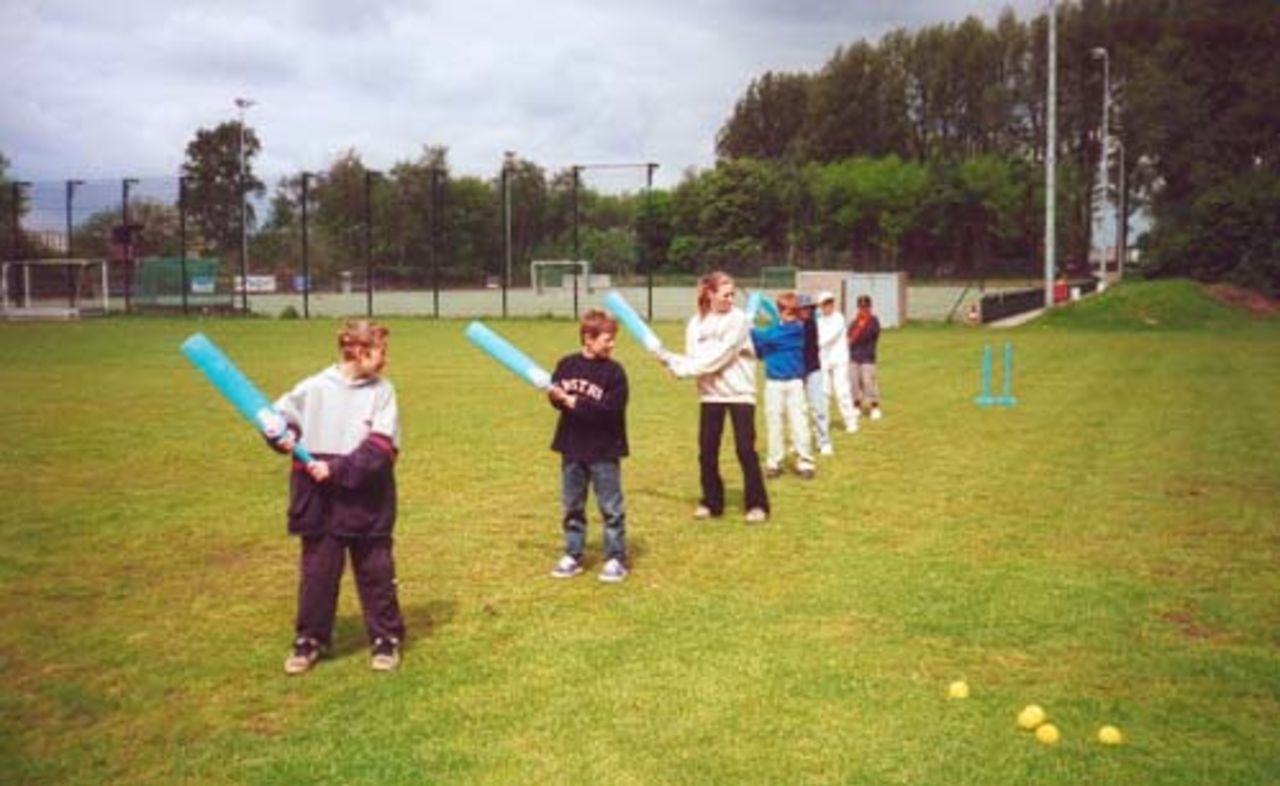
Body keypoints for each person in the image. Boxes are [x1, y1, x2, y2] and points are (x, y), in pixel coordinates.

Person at [270, 320, 405, 675]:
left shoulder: (383, 391)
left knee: (376, 570)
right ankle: (310, 640)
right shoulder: (313, 387)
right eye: (380, 353)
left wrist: (337, 469)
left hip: (367, 498)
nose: (385, 360)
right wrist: (280, 435)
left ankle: (386, 639)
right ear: (358, 352)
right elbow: (280, 419)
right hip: (318, 499)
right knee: (318, 573)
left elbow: (382, 447)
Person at [657, 271, 769, 524]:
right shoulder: (696, 323)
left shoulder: (739, 320)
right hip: (710, 396)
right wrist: (669, 359)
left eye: (732, 294)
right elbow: (695, 360)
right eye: (725, 294)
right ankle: (711, 502)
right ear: (709, 294)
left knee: (745, 450)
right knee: (707, 451)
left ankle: (757, 504)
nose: (730, 299)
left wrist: (683, 370)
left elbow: (721, 356)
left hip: (740, 393)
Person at [546, 309, 631, 583]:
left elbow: (609, 410)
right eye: (607, 339)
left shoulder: (615, 373)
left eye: (613, 338)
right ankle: (573, 554)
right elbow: (556, 397)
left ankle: (615, 558)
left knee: (611, 507)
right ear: (588, 338)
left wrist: (573, 402)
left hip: (605, 449)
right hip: (572, 446)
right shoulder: (567, 364)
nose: (612, 344)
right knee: (573, 504)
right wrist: (556, 396)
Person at [751, 292, 815, 479]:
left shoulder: (798, 329)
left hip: (794, 383)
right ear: (780, 311)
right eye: (787, 311)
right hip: (773, 383)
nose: (792, 316)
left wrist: (751, 329)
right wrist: (760, 339)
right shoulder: (774, 331)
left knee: (799, 422)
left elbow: (766, 339)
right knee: (774, 423)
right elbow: (761, 351)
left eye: (794, 312)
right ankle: (774, 462)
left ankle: (805, 462)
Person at [816, 291, 859, 432]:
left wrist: (815, 344)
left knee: (842, 392)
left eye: (830, 302)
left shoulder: (839, 318)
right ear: (820, 306)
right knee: (824, 393)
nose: (828, 306)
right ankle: (823, 422)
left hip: (839, 359)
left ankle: (851, 422)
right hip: (823, 360)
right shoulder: (818, 320)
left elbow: (829, 337)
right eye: (825, 304)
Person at [797, 293, 832, 455]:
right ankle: (799, 441)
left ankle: (823, 441)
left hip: (812, 370)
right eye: (802, 309)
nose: (805, 312)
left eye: (808, 309)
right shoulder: (792, 325)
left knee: (818, 407)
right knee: (798, 409)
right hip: (796, 371)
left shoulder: (812, 325)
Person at [847, 294, 883, 420]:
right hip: (854, 356)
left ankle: (875, 406)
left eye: (866, 307)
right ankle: (856, 405)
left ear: (870, 307)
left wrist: (860, 329)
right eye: (861, 307)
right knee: (854, 382)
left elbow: (870, 335)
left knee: (868, 382)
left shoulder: (874, 321)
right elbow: (849, 337)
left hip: (868, 357)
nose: (863, 309)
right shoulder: (854, 322)